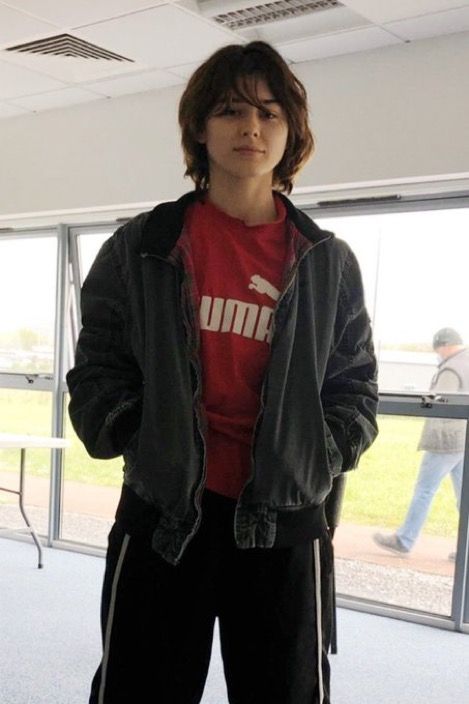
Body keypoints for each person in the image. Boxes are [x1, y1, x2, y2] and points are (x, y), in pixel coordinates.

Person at [67, 41, 378, 704]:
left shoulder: (327, 262)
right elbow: (97, 370)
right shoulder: (143, 247)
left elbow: (354, 391)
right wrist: (139, 436)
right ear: (199, 129)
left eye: (269, 113)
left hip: (285, 523)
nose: (251, 128)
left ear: (290, 133)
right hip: (165, 518)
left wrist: (313, 457)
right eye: (232, 110)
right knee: (137, 690)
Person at [374, 327, 469, 559]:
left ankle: (404, 540)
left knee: (424, 490)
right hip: (461, 439)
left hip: (444, 440)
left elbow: (439, 401)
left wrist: (418, 400)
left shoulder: (451, 368)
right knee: (463, 496)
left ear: (444, 346)